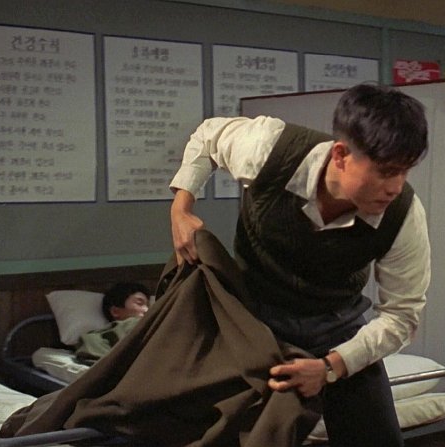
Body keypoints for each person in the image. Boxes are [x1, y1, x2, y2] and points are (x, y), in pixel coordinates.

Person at [169, 83, 431, 447]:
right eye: (386, 171)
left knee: (377, 438)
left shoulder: (403, 216)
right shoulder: (268, 149)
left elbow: (402, 316)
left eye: (405, 171)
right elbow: (209, 135)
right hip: (253, 318)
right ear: (341, 155)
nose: (396, 187)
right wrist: (181, 207)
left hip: (336, 326)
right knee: (210, 427)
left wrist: (330, 367)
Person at [74, 282, 150, 365]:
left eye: (148, 306)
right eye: (139, 303)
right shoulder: (96, 338)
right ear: (115, 311)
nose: (147, 310)